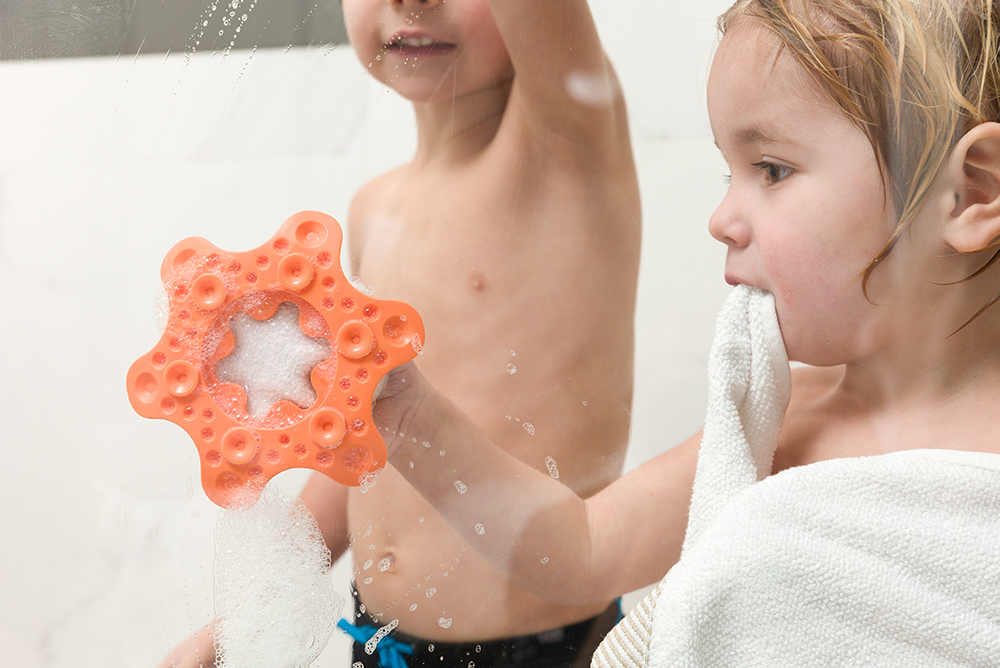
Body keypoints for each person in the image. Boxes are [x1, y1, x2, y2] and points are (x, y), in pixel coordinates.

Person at [368, 0, 1000, 640]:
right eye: (730, 173)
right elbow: (583, 551)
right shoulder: (774, 422)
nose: (720, 219)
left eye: (771, 170)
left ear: (971, 192)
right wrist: (409, 419)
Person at [158, 0, 640, 666]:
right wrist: (242, 617)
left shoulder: (564, 146)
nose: (413, 1)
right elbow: (363, 433)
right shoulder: (373, 208)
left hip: (538, 648)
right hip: (382, 641)